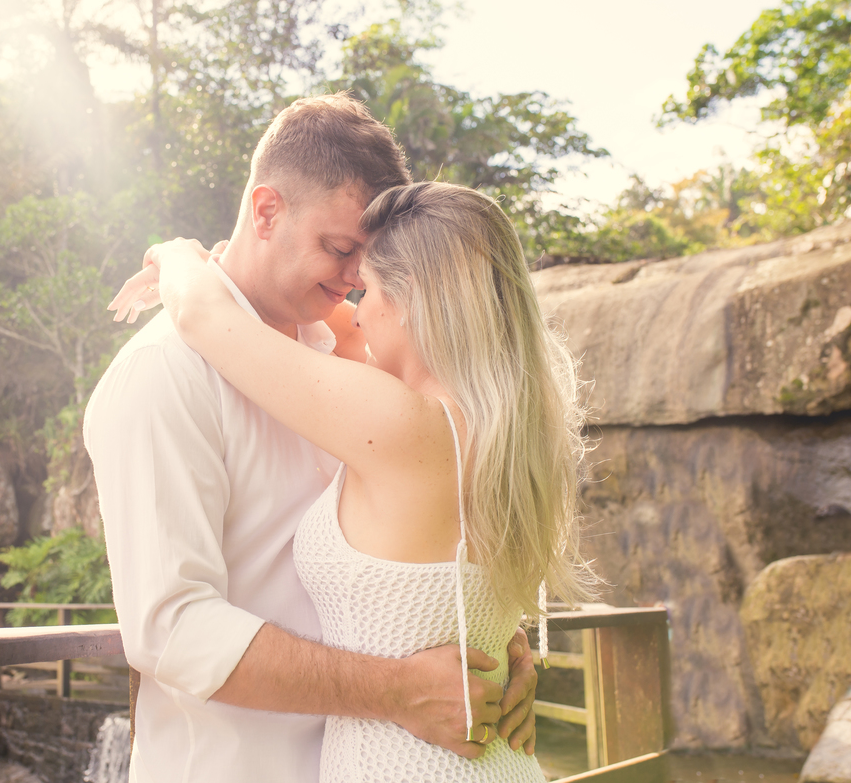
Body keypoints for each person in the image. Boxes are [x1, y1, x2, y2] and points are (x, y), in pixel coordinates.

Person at [83, 94, 540, 783]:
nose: (358, 278)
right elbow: (171, 628)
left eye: (371, 258)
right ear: (267, 211)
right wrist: (396, 689)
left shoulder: (353, 362)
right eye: (340, 248)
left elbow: (416, 543)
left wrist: (488, 636)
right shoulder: (163, 374)